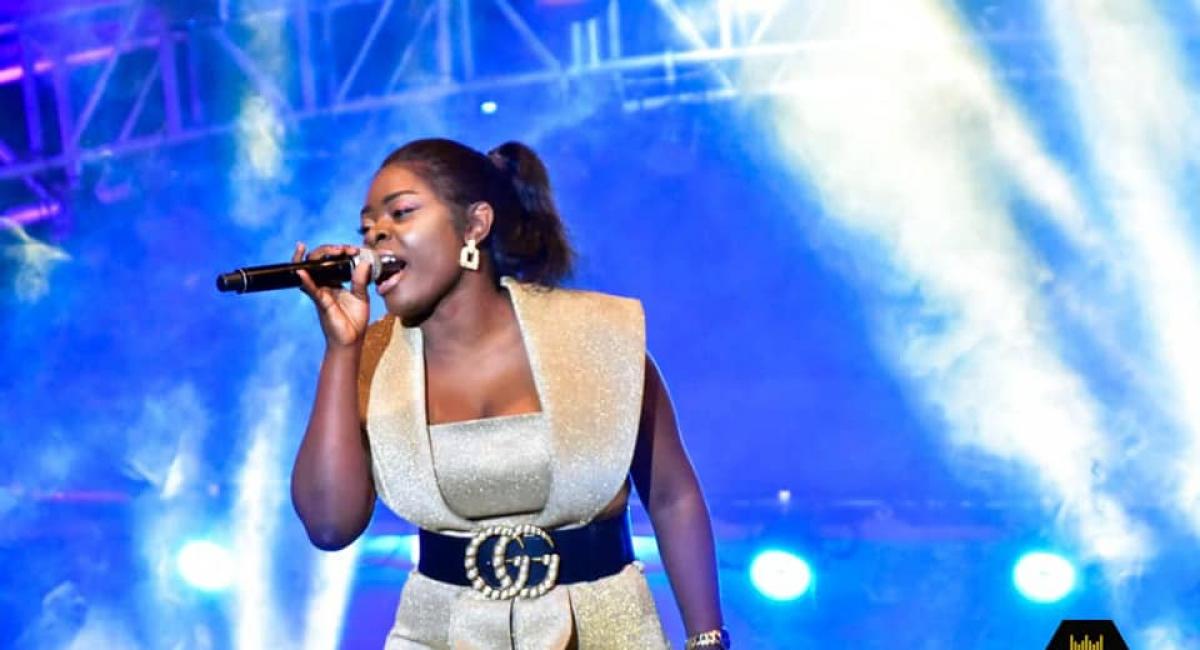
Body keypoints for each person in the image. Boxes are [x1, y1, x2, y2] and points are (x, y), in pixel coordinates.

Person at [289, 138, 727, 649]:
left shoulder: (596, 336)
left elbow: (672, 497)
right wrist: (341, 349)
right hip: (441, 634)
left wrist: (706, 639)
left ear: (475, 225)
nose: (376, 234)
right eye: (366, 228)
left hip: (603, 628)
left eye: (401, 212)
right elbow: (329, 526)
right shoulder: (371, 361)